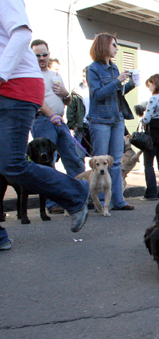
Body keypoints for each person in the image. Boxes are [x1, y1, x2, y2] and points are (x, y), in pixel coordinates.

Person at [0, 0, 90, 251]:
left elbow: (21, 33)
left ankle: (75, 192)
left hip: (15, 88)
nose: (43, 57)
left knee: (12, 164)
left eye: (44, 54)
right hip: (12, 89)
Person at [31, 39, 84, 214]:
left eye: (44, 54)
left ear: (48, 54)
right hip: (42, 120)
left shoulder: (55, 74)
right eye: (37, 55)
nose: (41, 58)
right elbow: (36, 100)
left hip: (59, 121)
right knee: (47, 163)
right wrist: (51, 114)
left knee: (73, 159)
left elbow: (67, 100)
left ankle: (79, 197)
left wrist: (66, 94)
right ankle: (53, 204)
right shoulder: (31, 74)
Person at [86, 33, 135, 210]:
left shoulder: (114, 68)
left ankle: (117, 200)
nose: (116, 48)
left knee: (115, 162)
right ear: (104, 46)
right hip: (100, 120)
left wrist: (130, 84)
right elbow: (97, 94)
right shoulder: (93, 69)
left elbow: (117, 93)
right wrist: (117, 81)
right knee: (99, 162)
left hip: (117, 118)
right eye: (114, 44)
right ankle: (99, 201)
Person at [67, 66, 91, 171]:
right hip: (81, 128)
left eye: (87, 76)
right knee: (78, 158)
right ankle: (81, 183)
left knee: (97, 158)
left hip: (95, 127)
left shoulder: (97, 91)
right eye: (83, 76)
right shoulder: (77, 92)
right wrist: (74, 126)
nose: (85, 78)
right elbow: (70, 110)